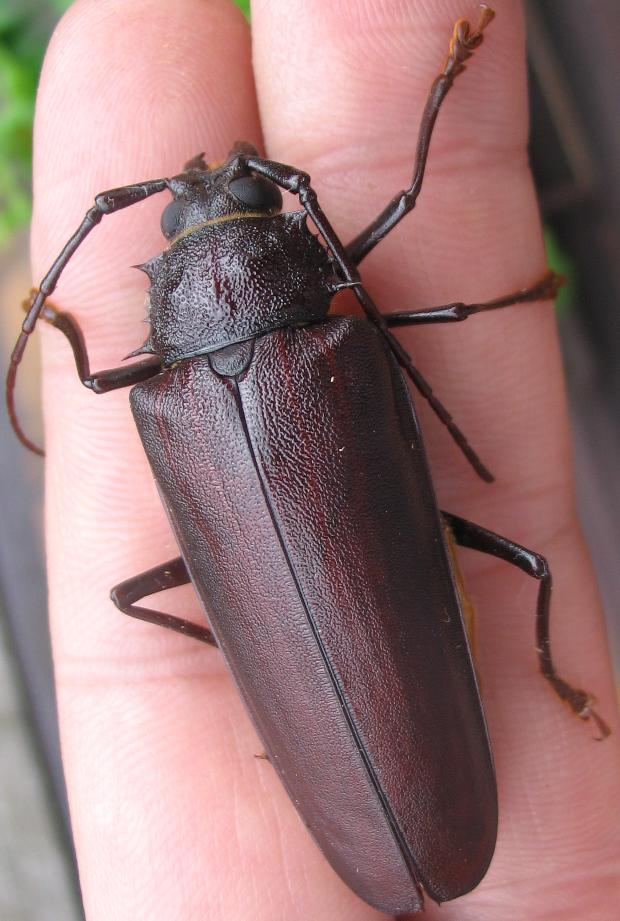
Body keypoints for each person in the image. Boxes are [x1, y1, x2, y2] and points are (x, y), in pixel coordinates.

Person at [30, 0, 619, 918]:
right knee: (531, 562)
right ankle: (540, 678)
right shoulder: (342, 341)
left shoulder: (158, 399)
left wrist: (62, 325)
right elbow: (408, 197)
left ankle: (275, 665)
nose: (206, 188)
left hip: (358, 726)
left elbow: (92, 377)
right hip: (356, 693)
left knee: (129, 595)